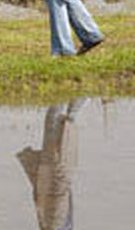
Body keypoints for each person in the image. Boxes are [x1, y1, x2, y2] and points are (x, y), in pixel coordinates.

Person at [18, 99, 86, 230]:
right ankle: (73, 96)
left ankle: (66, 97)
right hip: (54, 187)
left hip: (52, 185)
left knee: (58, 130)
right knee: (61, 130)